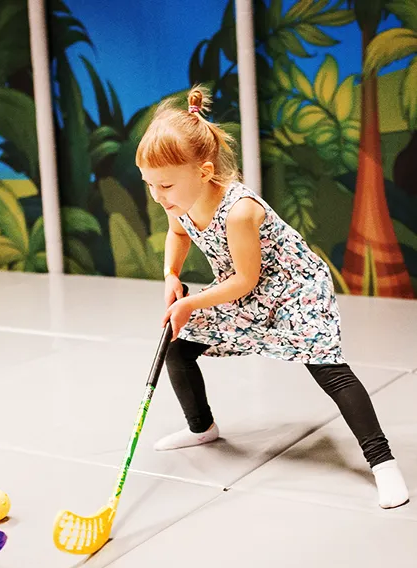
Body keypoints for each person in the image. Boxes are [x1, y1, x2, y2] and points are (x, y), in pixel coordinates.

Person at [135, 85, 409, 509]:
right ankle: (201, 427)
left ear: (204, 171)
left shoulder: (240, 209)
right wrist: (171, 274)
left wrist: (190, 303)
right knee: (178, 343)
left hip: (295, 291)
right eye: (149, 184)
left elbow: (246, 279)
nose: (158, 195)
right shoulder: (180, 201)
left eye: (164, 185)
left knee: (330, 372)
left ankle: (382, 462)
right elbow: (177, 232)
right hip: (245, 288)